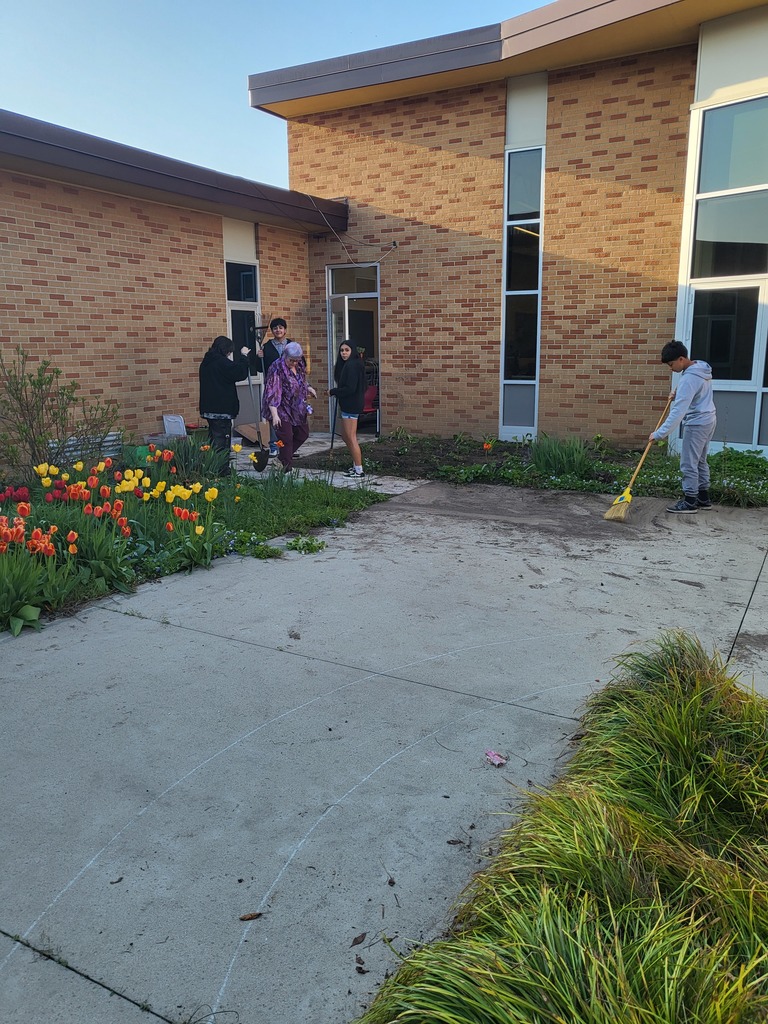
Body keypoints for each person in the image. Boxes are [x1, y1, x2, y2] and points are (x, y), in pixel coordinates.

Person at [649, 340, 717, 514]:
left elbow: (678, 412)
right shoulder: (700, 368)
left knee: (688, 463)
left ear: (681, 359)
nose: (671, 369)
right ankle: (703, 498)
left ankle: (690, 501)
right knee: (700, 460)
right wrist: (678, 392)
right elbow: (695, 391)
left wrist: (659, 434)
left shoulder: (689, 378)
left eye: (671, 365)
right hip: (709, 419)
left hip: (697, 423)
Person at [261, 341, 317, 470]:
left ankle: (282, 459)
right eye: (292, 360)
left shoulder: (299, 364)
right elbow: (272, 393)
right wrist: (275, 415)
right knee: (286, 438)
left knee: (303, 434)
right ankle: (286, 469)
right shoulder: (276, 368)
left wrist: (308, 388)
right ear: (284, 356)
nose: (294, 363)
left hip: (296, 407)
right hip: (279, 408)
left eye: (297, 360)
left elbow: (301, 380)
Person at [198, 335, 251, 464]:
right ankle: (221, 469)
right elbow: (238, 373)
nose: (229, 354)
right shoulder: (221, 362)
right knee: (222, 441)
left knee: (214, 438)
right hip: (221, 408)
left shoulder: (206, 362)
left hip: (208, 407)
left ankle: (212, 466)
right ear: (225, 349)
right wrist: (244, 357)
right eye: (229, 351)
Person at [328, 340, 366, 479]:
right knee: (345, 436)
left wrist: (333, 391)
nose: (344, 353)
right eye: (342, 350)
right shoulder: (349, 365)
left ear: (353, 351)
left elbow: (350, 388)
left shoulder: (353, 366)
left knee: (351, 437)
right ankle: (355, 465)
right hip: (347, 405)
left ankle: (359, 470)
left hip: (351, 405)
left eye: (347, 350)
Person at [255, 317, 292, 457]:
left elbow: (301, 364)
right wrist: (259, 357)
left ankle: (288, 445)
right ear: (272, 331)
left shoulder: (292, 345)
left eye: (280, 327)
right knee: (273, 415)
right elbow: (259, 368)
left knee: (289, 415)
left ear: (285, 330)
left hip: (289, 387)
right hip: (272, 386)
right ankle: (274, 445)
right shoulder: (267, 346)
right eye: (275, 328)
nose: (278, 330)